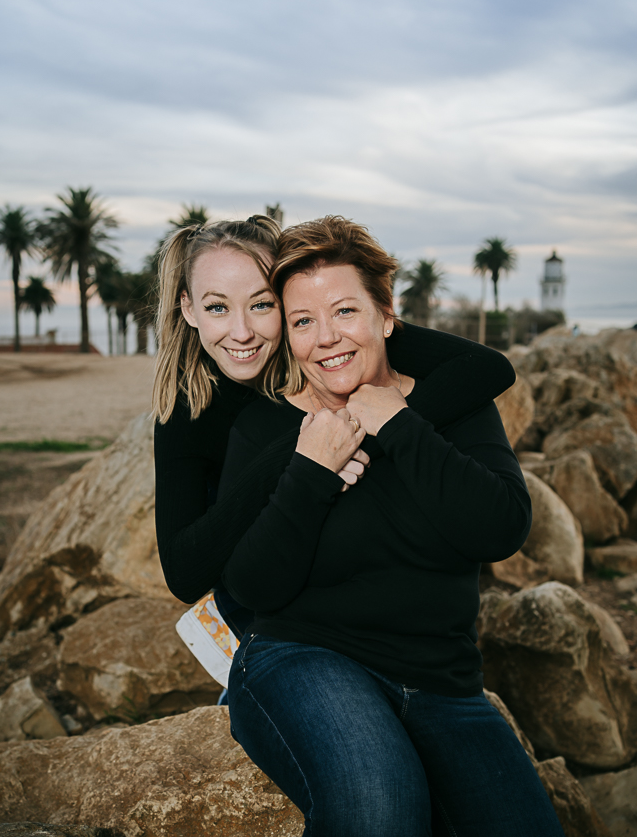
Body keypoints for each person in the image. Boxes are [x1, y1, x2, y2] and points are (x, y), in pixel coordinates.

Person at [218, 216, 588, 837]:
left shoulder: (450, 409)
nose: (325, 339)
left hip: (446, 686)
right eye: (304, 320)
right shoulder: (267, 428)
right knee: (379, 804)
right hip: (301, 660)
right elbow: (249, 586)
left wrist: (396, 424)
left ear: (389, 315)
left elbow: (497, 527)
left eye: (344, 311)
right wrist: (311, 472)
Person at [152, 214, 516, 650]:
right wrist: (308, 451)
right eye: (217, 307)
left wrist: (381, 422)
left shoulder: (336, 343)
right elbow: (184, 572)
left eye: (262, 304)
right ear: (188, 308)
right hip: (260, 604)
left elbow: (489, 368)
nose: (242, 332)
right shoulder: (189, 407)